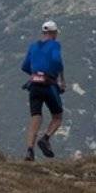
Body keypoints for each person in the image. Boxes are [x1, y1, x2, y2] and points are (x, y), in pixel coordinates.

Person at [21, 19, 65, 160]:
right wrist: (60, 78)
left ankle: (29, 150)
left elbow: (24, 66)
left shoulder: (33, 46)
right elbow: (57, 61)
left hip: (34, 85)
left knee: (36, 117)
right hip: (49, 85)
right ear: (53, 33)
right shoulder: (55, 45)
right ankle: (45, 138)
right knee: (57, 116)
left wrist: (36, 74)